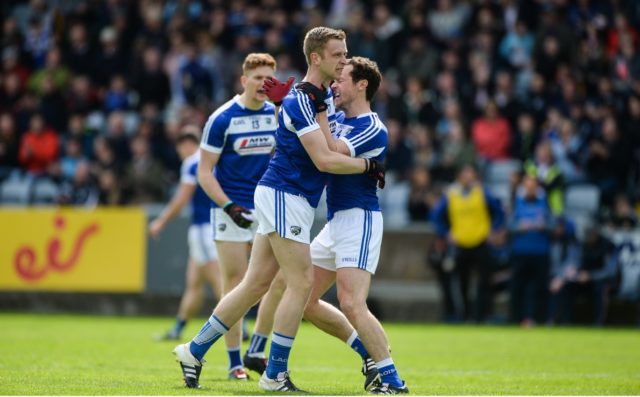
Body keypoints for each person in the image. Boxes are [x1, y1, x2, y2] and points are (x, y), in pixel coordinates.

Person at [172, 27, 384, 392]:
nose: (344, 60)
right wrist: (368, 167)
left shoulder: (321, 97)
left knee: (255, 284)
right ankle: (275, 375)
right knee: (299, 283)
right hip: (286, 195)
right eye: (337, 54)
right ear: (315, 58)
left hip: (286, 197)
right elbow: (323, 159)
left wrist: (285, 103)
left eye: (345, 54)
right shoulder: (303, 100)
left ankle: (193, 350)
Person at [175, 53, 285, 381]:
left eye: (269, 79)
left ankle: (257, 348)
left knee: (277, 281)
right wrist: (229, 207)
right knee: (235, 284)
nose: (263, 84)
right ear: (243, 80)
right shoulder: (222, 118)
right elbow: (205, 173)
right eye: (257, 77)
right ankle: (235, 362)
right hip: (230, 209)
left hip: (266, 208)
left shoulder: (276, 115)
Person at [301, 56, 408, 394]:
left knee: (352, 303)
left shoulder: (372, 127)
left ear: (362, 84)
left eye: (342, 79)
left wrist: (318, 107)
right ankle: (367, 354)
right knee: (303, 299)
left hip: (359, 219)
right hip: (335, 222)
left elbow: (331, 153)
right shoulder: (339, 116)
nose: (334, 83)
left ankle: (393, 381)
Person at [149, 126, 222, 342]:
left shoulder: (192, 163)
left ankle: (239, 327)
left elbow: (182, 199)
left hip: (203, 228)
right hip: (214, 227)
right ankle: (178, 328)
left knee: (220, 282)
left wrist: (160, 221)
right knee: (194, 284)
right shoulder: (212, 158)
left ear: (186, 144)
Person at [431, 163, 505, 323]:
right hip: (461, 243)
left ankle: (483, 315)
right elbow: (436, 217)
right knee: (462, 282)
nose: (468, 178)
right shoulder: (451, 193)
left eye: (470, 174)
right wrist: (446, 233)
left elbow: (499, 212)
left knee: (485, 281)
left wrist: (494, 230)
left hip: (481, 241)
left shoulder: (482, 192)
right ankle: (464, 316)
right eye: (465, 174)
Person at [508, 175, 553, 327]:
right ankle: (516, 319)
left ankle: (540, 319)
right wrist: (519, 227)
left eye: (533, 185)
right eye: (528, 185)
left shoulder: (546, 202)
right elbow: (508, 225)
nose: (530, 188)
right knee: (517, 287)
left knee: (540, 287)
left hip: (541, 251)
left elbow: (554, 224)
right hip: (520, 251)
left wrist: (543, 226)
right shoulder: (516, 202)